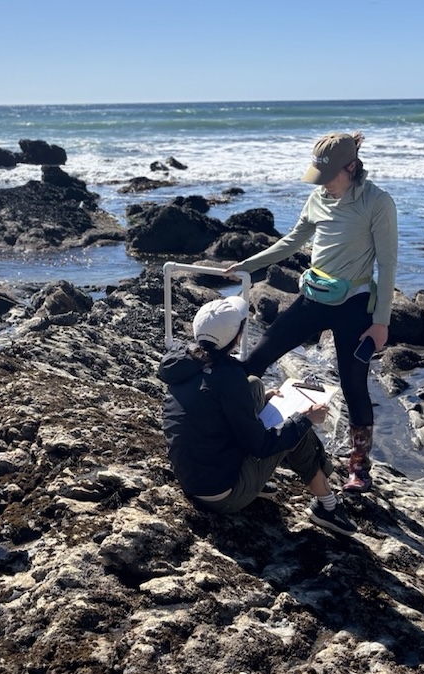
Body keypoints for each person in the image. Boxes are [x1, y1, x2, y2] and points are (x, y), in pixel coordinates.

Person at [224, 131, 398, 493]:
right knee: (256, 359)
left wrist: (381, 322)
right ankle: (237, 435)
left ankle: (359, 468)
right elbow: (293, 240)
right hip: (313, 297)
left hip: (354, 305)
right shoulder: (318, 198)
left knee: (354, 386)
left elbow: (388, 263)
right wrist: (248, 264)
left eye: (329, 177)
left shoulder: (377, 202)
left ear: (351, 167)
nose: (323, 185)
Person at [159, 295, 356, 535]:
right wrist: (305, 419)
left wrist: (261, 401)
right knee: (298, 426)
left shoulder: (187, 362)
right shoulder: (228, 377)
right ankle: (326, 506)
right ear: (236, 336)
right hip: (222, 495)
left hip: (193, 478)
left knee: (253, 384)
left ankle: (256, 478)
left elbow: (209, 406)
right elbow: (260, 446)